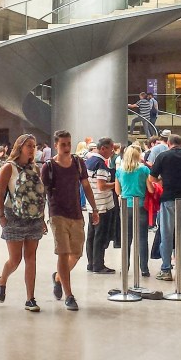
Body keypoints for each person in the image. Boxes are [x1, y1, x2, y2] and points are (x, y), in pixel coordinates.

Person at [42, 130, 99, 311]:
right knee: (63, 253)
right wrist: (41, 218)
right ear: (56, 145)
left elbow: (86, 185)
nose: (66, 148)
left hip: (76, 214)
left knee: (76, 254)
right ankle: (69, 295)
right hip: (57, 214)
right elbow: (42, 193)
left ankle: (59, 277)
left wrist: (94, 208)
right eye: (63, 144)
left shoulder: (78, 162)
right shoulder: (49, 167)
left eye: (68, 144)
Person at [0, 134, 47, 312]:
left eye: (34, 146)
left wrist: (42, 218)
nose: (32, 149)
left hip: (33, 218)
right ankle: (2, 280)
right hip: (13, 216)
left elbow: (39, 196)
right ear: (20, 147)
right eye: (29, 146)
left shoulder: (35, 168)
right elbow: (0, 194)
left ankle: (30, 298)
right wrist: (1, 216)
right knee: (15, 260)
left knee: (31, 258)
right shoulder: (8, 168)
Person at [149, 134, 181, 282]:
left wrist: (163, 181)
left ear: (169, 144)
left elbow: (152, 178)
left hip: (168, 199)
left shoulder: (163, 156)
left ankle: (166, 269)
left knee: (166, 234)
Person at [115, 143, 151, 278]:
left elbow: (118, 191)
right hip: (141, 204)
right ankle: (144, 268)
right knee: (142, 238)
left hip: (125, 205)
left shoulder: (119, 171)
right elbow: (151, 189)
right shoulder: (144, 170)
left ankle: (125, 267)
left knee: (126, 238)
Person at [84, 138, 118, 274]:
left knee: (91, 235)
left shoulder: (89, 161)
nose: (112, 152)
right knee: (100, 235)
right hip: (102, 205)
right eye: (111, 149)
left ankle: (91, 263)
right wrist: (116, 184)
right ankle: (99, 264)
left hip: (92, 203)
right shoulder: (100, 165)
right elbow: (102, 185)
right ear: (103, 148)